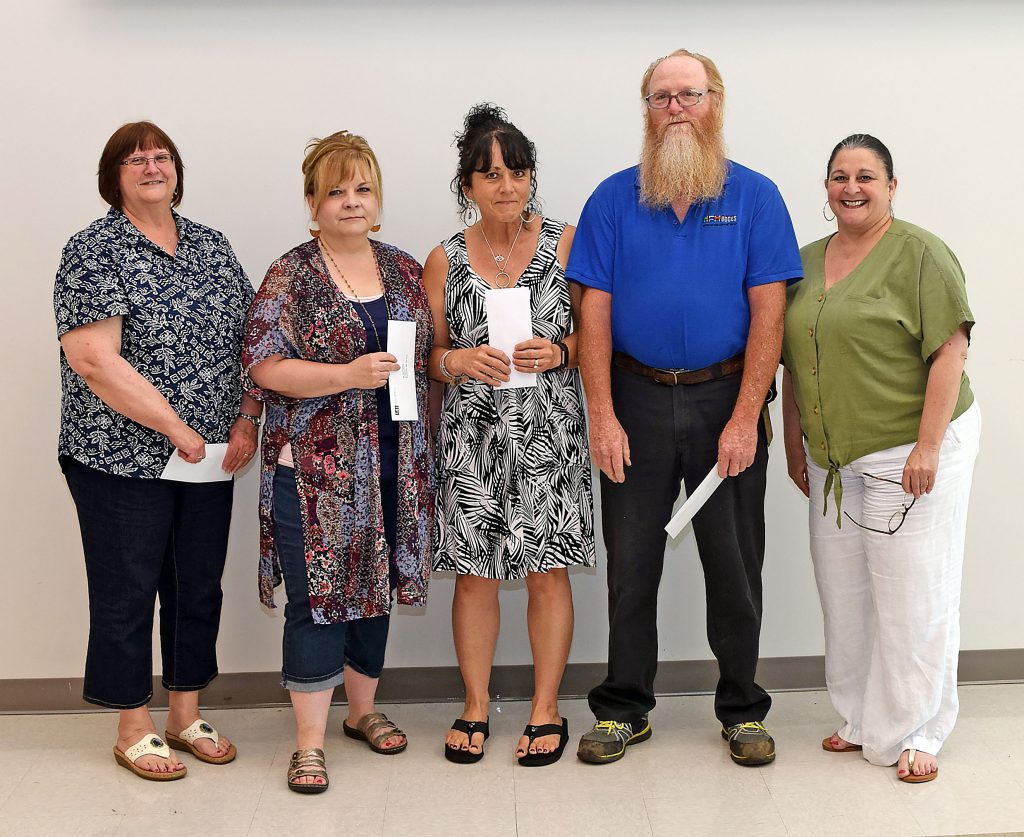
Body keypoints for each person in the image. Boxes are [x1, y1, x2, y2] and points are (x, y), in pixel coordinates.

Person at [567, 49, 802, 766]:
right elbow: (593, 312)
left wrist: (744, 417)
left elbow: (770, 314)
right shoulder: (612, 199)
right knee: (632, 563)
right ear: (645, 110)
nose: (675, 107)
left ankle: (741, 708)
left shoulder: (755, 196)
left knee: (735, 565)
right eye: (661, 96)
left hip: (724, 399)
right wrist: (601, 415)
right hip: (634, 399)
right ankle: (624, 708)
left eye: (688, 94)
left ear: (715, 104)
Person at [55, 121, 259, 781]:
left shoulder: (210, 244)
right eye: (135, 158)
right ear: (114, 175)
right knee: (127, 589)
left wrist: (249, 417)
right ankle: (133, 724)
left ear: (177, 170)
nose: (151, 165)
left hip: (210, 455)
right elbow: (92, 357)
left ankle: (185, 711)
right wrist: (174, 425)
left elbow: (253, 338)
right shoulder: (95, 248)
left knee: (196, 585)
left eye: (161, 155)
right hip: (118, 455)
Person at [781, 134, 980, 784]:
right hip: (834, 459)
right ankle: (863, 717)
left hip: (910, 448)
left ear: (892, 186)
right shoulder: (804, 262)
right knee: (845, 592)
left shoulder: (919, 252)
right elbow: (791, 360)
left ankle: (922, 726)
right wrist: (793, 438)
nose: (852, 187)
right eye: (839, 176)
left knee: (912, 594)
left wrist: (926, 446)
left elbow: (950, 350)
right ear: (827, 189)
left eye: (866, 175)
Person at [242, 131, 434, 793]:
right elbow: (264, 365)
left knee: (373, 590)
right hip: (316, 473)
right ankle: (308, 743)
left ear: (377, 198)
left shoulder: (406, 268)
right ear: (313, 202)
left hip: (392, 463)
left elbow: (428, 361)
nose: (351, 201)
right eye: (336, 191)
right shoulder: (290, 273)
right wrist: (346, 373)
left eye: (362, 188)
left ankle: (361, 711)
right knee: (317, 602)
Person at [425, 104, 595, 767]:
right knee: (475, 577)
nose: (506, 186)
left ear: (531, 178)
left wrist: (563, 351)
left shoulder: (568, 242)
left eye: (518, 172)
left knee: (549, 572)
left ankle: (547, 706)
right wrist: (458, 361)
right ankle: (474, 702)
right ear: (467, 184)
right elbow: (430, 356)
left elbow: (600, 336)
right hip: (472, 439)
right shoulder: (443, 258)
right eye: (490, 174)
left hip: (550, 434)